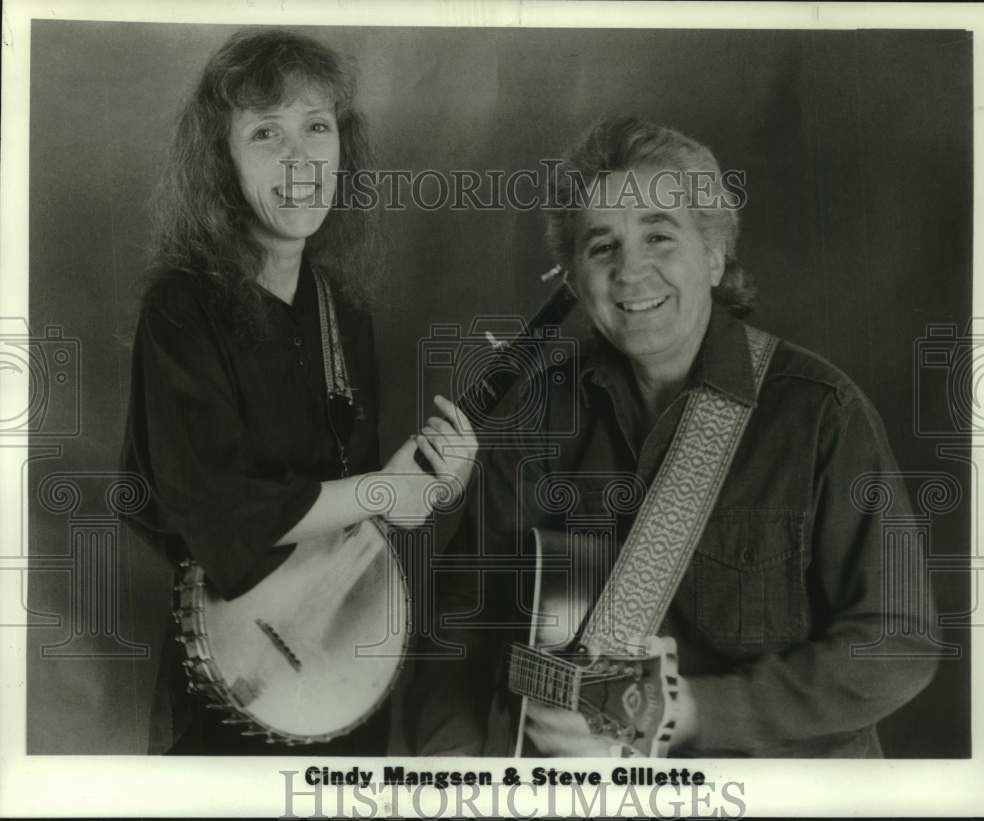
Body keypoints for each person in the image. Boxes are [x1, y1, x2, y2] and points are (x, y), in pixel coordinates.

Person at [407, 116, 938, 758]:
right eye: (602, 247)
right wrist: (452, 770)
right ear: (574, 281)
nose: (632, 273)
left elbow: (898, 643)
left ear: (714, 256)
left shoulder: (821, 412)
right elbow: (459, 629)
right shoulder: (538, 416)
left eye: (659, 236)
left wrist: (688, 713)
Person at [122, 29, 476, 755]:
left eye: (317, 126)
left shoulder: (341, 307)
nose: (300, 158)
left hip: (334, 659)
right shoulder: (180, 308)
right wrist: (380, 492)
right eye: (264, 133)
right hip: (233, 670)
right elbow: (216, 511)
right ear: (221, 164)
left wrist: (428, 486)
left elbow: (355, 519)